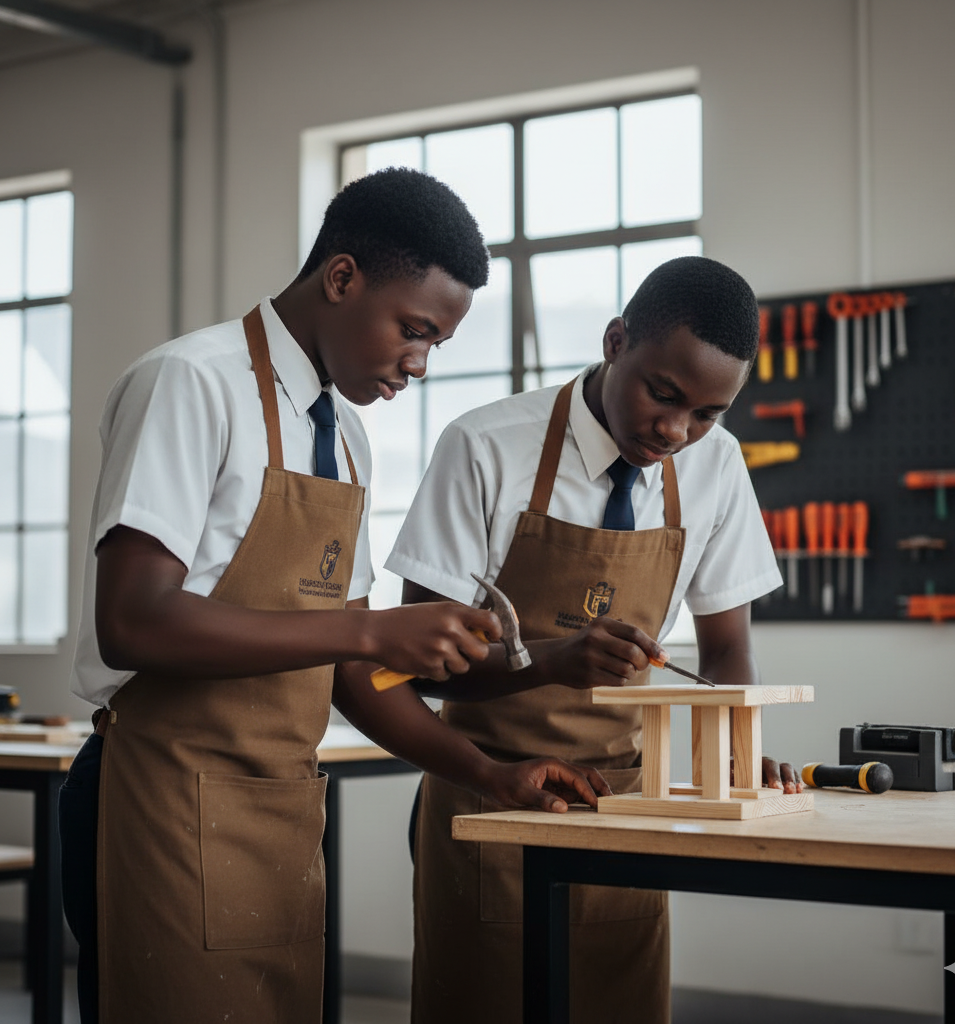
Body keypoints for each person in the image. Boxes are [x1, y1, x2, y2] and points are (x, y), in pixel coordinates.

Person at [59, 167, 607, 1024]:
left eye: (437, 346)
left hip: (275, 808)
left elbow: (353, 669)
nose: (419, 365)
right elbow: (133, 621)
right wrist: (372, 631)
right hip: (157, 796)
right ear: (342, 278)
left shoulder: (345, 436)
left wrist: (488, 772)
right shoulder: (191, 383)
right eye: (414, 330)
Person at [386, 255, 802, 1024]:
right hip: (492, 797)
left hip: (624, 808)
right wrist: (545, 659)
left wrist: (740, 744)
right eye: (664, 395)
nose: (676, 431)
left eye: (708, 413)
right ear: (615, 342)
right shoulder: (485, 447)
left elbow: (726, 649)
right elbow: (421, 670)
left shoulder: (715, 464)